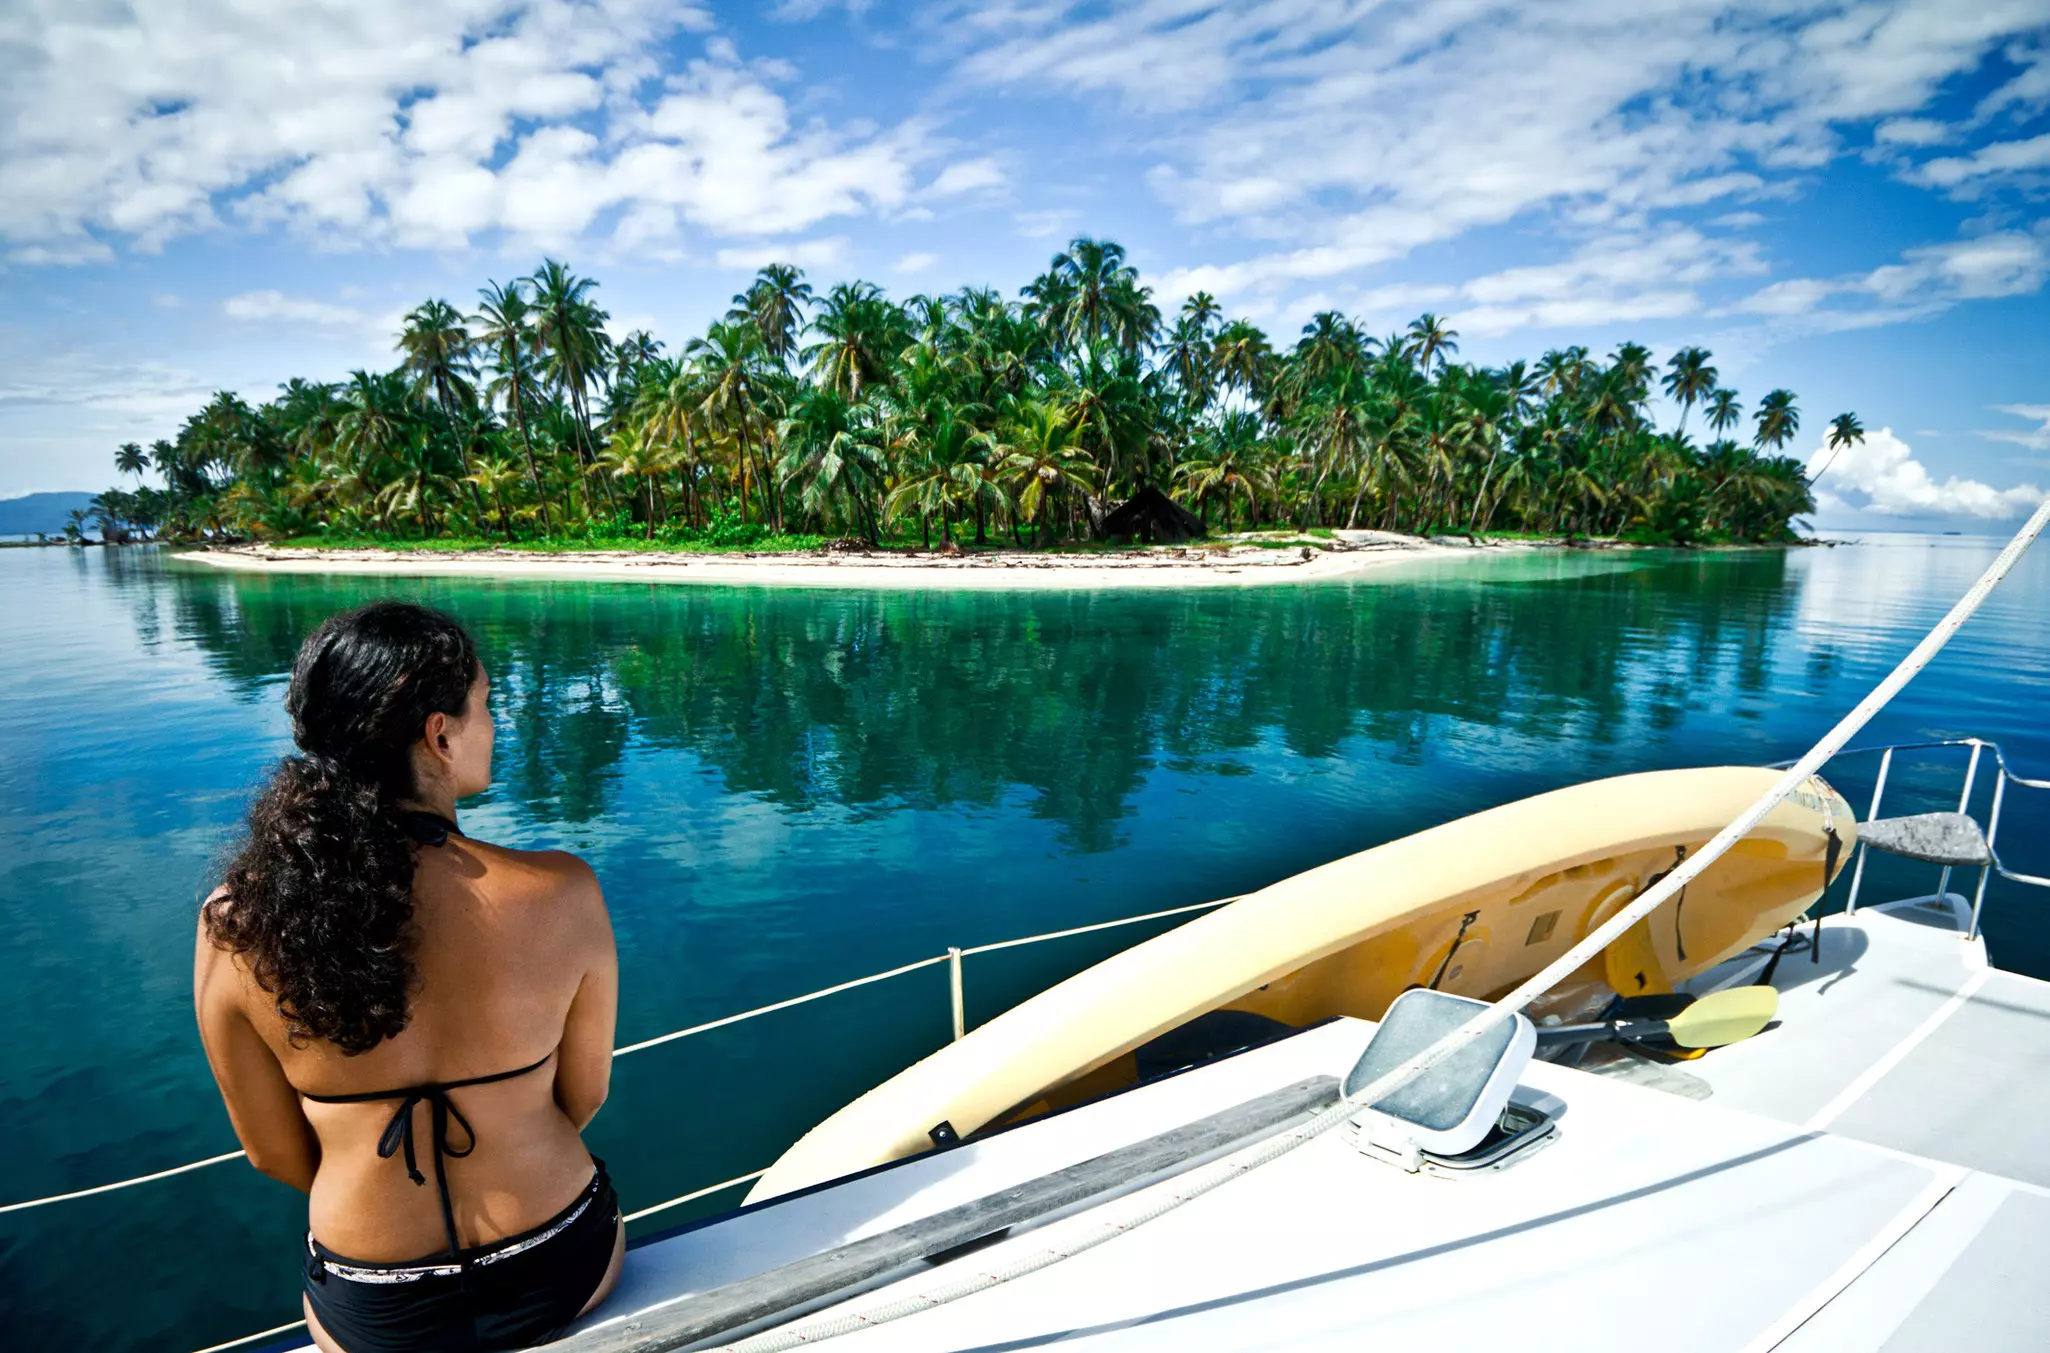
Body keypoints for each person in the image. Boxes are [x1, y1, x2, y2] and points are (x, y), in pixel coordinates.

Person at [195, 601, 622, 1352]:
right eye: (486, 703)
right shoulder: (563, 892)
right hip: (557, 1258)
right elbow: (583, 1096)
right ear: (439, 731)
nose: (494, 723)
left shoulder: (236, 925)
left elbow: (273, 1152)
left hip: (374, 1304)